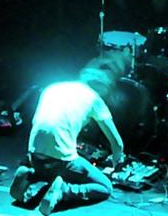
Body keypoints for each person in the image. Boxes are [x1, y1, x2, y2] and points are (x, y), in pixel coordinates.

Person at [9, 80, 124, 215]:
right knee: (105, 187)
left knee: (50, 167)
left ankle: (29, 175)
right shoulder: (94, 98)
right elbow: (117, 144)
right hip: (60, 161)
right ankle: (63, 191)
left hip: (34, 156)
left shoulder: (52, 88)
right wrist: (117, 162)